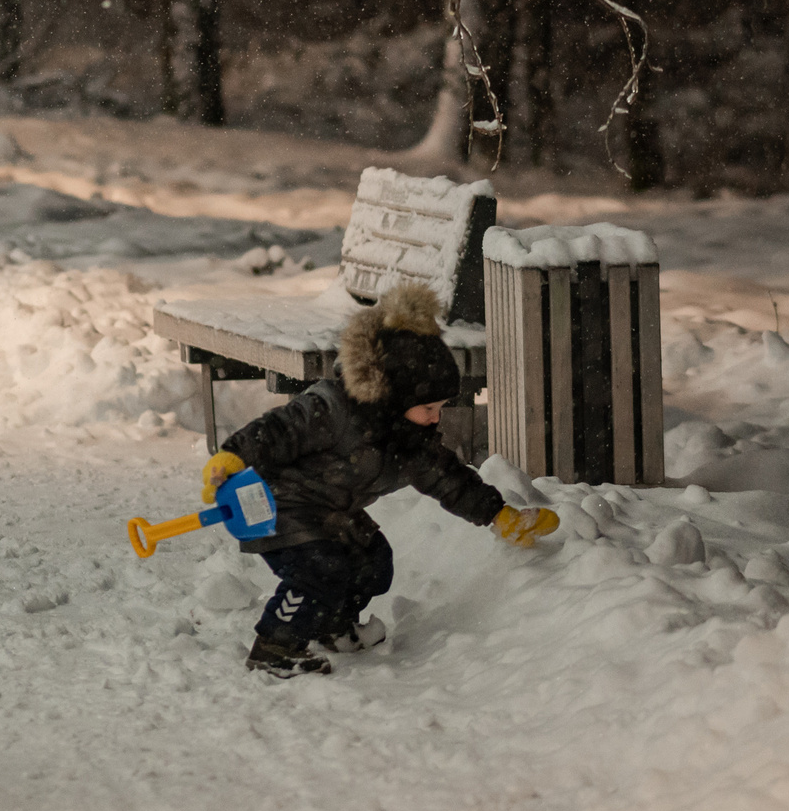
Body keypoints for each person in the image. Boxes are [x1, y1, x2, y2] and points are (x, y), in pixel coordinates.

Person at [203, 284, 561, 677]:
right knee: (318, 572)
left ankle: (331, 626)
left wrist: (498, 514)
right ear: (395, 397)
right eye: (428, 408)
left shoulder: (412, 442)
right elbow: (278, 430)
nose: (435, 418)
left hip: (334, 514)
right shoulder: (333, 408)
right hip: (280, 506)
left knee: (374, 564)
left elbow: (450, 480)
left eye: (440, 408)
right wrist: (231, 457)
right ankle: (274, 647)